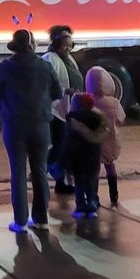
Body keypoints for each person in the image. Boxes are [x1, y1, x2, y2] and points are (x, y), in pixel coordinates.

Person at [0, 29, 63, 233]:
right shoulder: (45, 66)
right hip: (40, 126)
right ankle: (41, 219)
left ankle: (20, 221)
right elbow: (58, 92)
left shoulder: (5, 68)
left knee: (18, 172)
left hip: (14, 127)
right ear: (32, 45)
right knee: (39, 170)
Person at [41, 25, 82, 193]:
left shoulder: (69, 59)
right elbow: (47, 85)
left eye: (70, 45)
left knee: (65, 147)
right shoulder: (49, 59)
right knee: (60, 146)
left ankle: (61, 183)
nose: (69, 48)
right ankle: (42, 167)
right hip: (55, 110)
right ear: (57, 44)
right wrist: (65, 90)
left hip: (67, 109)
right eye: (65, 45)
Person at [85, 65, 126, 207]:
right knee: (110, 166)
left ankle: (93, 197)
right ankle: (114, 195)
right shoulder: (114, 102)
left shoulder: (89, 102)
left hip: (94, 142)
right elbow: (121, 118)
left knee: (94, 170)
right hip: (111, 139)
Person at [63, 92, 108, 218]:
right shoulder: (99, 120)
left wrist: (66, 160)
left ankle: (81, 207)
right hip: (93, 158)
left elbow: (69, 143)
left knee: (79, 184)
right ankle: (92, 204)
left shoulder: (73, 121)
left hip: (78, 158)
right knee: (90, 181)